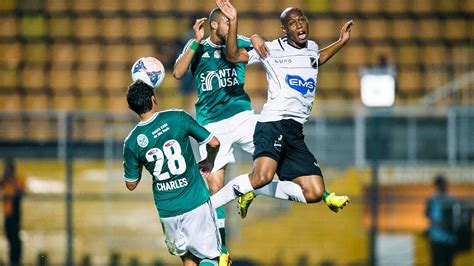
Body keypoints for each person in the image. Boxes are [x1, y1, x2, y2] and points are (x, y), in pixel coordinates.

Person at [211, 0, 352, 215]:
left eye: (301, 20)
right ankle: (208, 207)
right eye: (292, 23)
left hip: (295, 131)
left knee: (314, 192)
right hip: (273, 124)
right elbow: (232, 56)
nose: (298, 25)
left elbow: (317, 59)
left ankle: (255, 191)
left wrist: (341, 42)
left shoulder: (312, 48)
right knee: (261, 177)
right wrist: (235, 21)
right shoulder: (271, 49)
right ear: (284, 30)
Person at [172, 7, 266, 258]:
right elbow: (178, 73)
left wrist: (257, 37)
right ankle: (222, 250)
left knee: (272, 157)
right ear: (214, 25)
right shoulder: (198, 47)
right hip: (211, 125)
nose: (232, 27)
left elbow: (265, 48)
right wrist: (194, 42)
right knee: (215, 186)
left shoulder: (238, 42)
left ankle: (247, 189)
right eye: (227, 23)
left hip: (242, 115)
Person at [122, 80, 225, 266]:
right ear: (154, 99)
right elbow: (214, 142)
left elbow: (131, 184)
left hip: (168, 211)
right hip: (196, 203)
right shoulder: (177, 118)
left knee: (188, 259)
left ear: (132, 107)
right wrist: (209, 161)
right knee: (214, 259)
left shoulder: (131, 142)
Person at [425, 174, 457, 266]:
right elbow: (427, 214)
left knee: (447, 262)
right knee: (436, 262)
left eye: (442, 184)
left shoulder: (451, 199)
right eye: (439, 184)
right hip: (436, 238)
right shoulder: (432, 199)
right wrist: (436, 222)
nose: (441, 186)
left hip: (449, 238)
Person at [1, 157, 26, 266]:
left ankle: (16, 259)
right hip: (8, 213)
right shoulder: (4, 182)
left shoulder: (18, 180)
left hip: (15, 213)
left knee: (15, 237)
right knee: (9, 236)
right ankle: (13, 258)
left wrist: (12, 181)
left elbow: (21, 193)